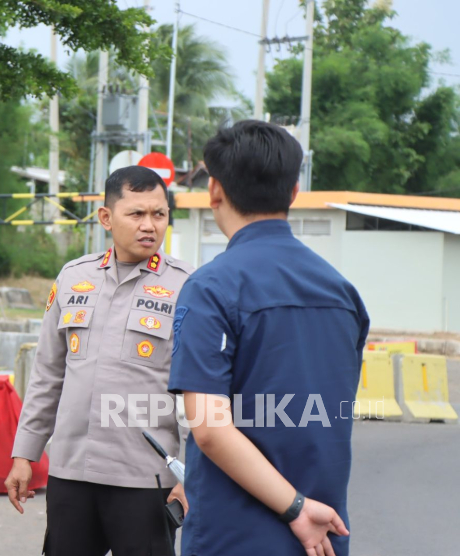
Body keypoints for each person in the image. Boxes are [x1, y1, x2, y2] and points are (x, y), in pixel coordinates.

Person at [168, 120, 370, 556]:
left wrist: (295, 508)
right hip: (325, 535)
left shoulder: (211, 288)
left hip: (236, 533)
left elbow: (211, 429)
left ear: (215, 190)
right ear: (294, 191)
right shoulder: (341, 291)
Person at [6, 166, 194, 555]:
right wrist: (25, 454)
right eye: (136, 214)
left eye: (158, 214)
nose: (149, 226)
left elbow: (197, 391)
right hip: (71, 474)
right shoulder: (75, 277)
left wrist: (193, 475)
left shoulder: (187, 286)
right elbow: (47, 375)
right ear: (106, 217)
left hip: (146, 480)